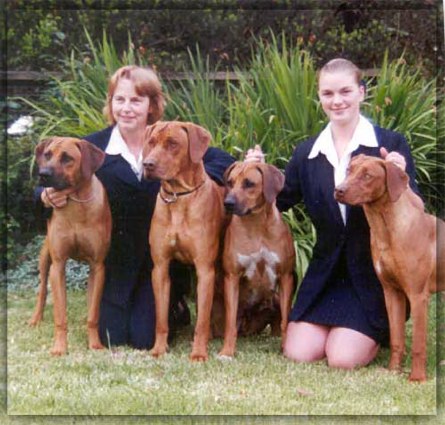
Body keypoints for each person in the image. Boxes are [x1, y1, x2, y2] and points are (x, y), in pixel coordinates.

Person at [37, 65, 235, 349]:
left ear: (152, 105)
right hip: (119, 260)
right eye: (120, 99)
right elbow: (53, 171)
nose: (127, 108)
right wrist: (44, 195)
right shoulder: (94, 148)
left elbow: (218, 159)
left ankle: (175, 306)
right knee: (112, 336)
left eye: (136, 100)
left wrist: (197, 179)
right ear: (111, 103)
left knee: (143, 338)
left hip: (160, 258)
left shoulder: (165, 137)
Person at [246, 58, 419, 369]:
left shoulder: (389, 144)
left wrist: (401, 176)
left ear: (361, 93)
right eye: (328, 93)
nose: (337, 101)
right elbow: (278, 203)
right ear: (319, 97)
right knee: (299, 352)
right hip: (325, 275)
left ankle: (369, 333)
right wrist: (255, 172)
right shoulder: (307, 152)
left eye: (345, 91)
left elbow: (415, 210)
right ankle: (338, 330)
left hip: (372, 277)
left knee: (341, 358)